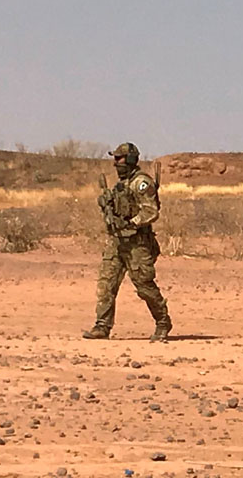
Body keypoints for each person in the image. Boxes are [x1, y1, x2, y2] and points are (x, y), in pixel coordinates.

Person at [83, 142, 172, 341]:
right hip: (117, 242)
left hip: (137, 244)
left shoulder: (141, 183)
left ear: (130, 160)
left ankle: (163, 322)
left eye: (119, 158)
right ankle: (102, 325)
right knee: (106, 284)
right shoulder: (121, 184)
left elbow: (151, 211)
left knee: (144, 286)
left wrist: (132, 223)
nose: (116, 163)